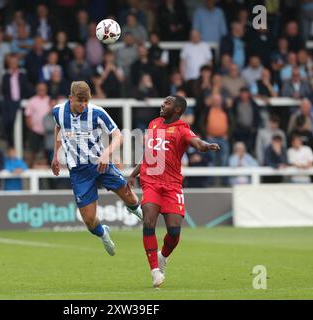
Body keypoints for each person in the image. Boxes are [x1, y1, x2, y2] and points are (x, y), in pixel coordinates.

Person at [126, 95, 220, 288]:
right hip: (151, 181)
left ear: (177, 110)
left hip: (172, 184)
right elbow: (149, 154)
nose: (162, 104)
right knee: (149, 222)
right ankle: (154, 272)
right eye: (163, 102)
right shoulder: (153, 124)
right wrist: (134, 174)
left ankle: (163, 257)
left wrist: (206, 146)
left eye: (167, 103)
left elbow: (196, 142)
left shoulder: (182, 129)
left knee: (174, 231)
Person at [51, 81, 143, 256]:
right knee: (89, 221)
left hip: (101, 163)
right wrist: (56, 154)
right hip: (78, 171)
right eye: (80, 101)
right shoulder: (58, 112)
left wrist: (107, 153)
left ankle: (144, 218)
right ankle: (103, 233)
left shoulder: (96, 112)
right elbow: (58, 127)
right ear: (70, 98)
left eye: (86, 101)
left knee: (128, 195)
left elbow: (118, 135)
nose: (84, 105)